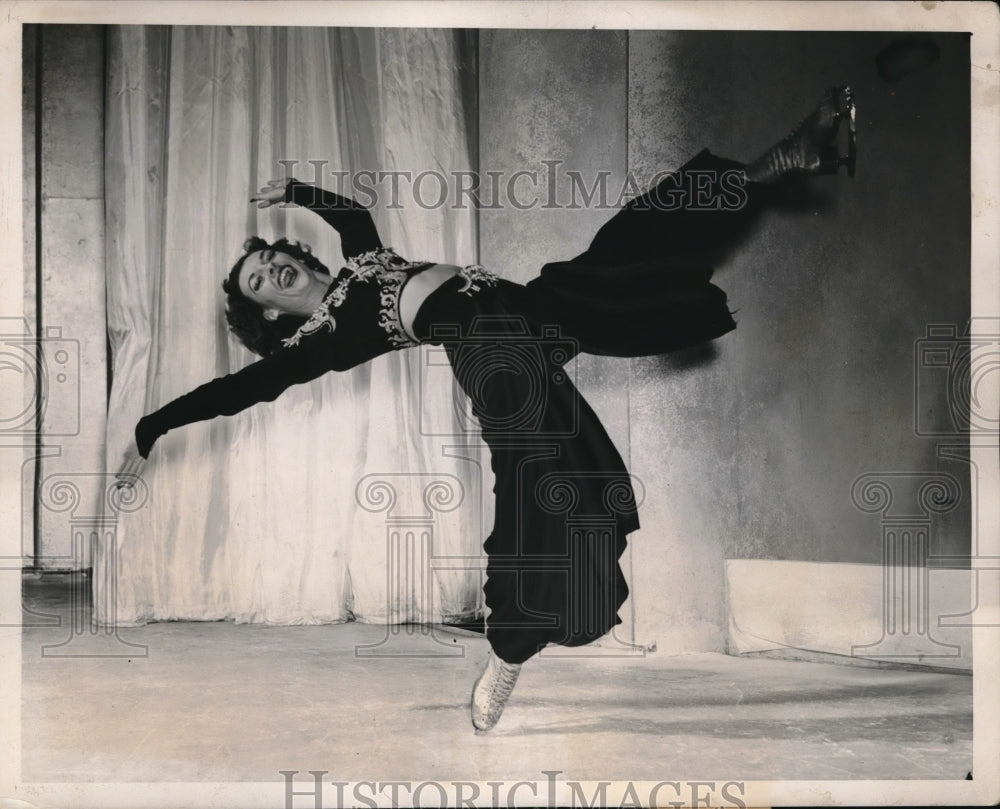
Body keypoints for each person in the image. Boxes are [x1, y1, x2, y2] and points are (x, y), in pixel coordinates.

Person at [116, 86, 856, 732]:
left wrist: (299, 191)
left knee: (630, 244)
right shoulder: (311, 343)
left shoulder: (364, 259)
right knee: (536, 473)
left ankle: (782, 161)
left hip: (529, 309)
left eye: (267, 261)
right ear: (270, 313)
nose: (270, 273)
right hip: (487, 347)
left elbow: (352, 212)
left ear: (294, 256)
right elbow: (232, 392)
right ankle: (508, 648)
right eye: (257, 285)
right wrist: (151, 427)